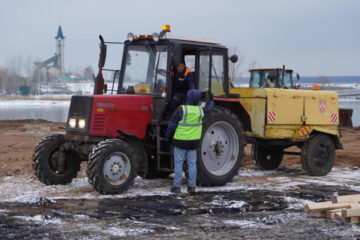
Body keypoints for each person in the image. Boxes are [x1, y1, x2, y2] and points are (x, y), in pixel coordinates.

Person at [166, 89, 214, 194]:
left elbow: (171, 125)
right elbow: (209, 109)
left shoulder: (181, 110)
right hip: (193, 143)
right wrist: (211, 100)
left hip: (180, 142)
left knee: (178, 164)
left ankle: (177, 187)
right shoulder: (200, 111)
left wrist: (168, 138)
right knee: (192, 164)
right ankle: (192, 187)